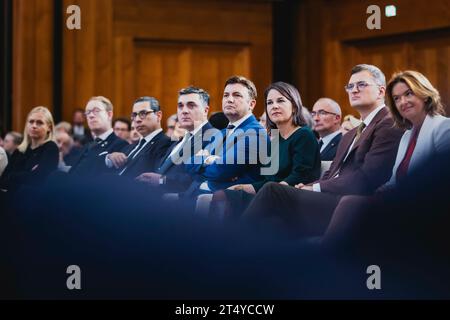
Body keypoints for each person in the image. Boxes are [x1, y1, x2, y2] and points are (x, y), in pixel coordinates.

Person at [243, 64, 404, 238]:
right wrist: (308, 187)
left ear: (381, 91)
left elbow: (368, 177)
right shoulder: (350, 134)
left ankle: (229, 244)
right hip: (327, 197)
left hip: (349, 203)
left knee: (271, 191)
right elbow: (331, 173)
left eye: (361, 85)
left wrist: (315, 187)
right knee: (270, 220)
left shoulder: (388, 123)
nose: (354, 90)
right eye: (350, 86)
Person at [323, 70, 450, 246]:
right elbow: (393, 180)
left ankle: (325, 254)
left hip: (424, 205)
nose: (402, 102)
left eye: (408, 94)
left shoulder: (443, 127)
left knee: (350, 204)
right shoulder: (406, 135)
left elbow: (441, 180)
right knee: (352, 203)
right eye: (397, 99)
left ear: (425, 94)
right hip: (398, 201)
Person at [219, 82, 321, 216]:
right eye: (269, 103)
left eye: (280, 101)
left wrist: (269, 191)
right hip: (270, 193)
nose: (274, 106)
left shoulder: (304, 134)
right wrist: (245, 187)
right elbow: (269, 179)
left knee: (233, 200)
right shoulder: (274, 139)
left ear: (295, 107)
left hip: (293, 199)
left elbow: (300, 176)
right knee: (225, 194)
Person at [184, 75, 270, 196]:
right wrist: (209, 159)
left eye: (237, 95)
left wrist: (204, 160)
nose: (229, 99)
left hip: (229, 204)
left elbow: (221, 171)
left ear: (251, 104)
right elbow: (188, 163)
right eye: (226, 95)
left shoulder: (255, 133)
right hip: (203, 196)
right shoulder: (223, 132)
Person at [135, 86, 214, 193]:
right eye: (180, 106)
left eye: (191, 105)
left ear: (205, 110)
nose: (184, 111)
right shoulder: (179, 140)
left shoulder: (212, 138)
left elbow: (199, 178)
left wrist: (162, 180)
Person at [106, 97, 171, 178]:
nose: (137, 120)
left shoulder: (167, 144)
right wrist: (110, 158)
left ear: (158, 115)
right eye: (134, 115)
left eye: (143, 113)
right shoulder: (129, 147)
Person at [0, 106, 59, 192]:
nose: (34, 126)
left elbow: (39, 180)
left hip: (34, 201)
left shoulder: (50, 148)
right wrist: (28, 174)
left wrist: (13, 176)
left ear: (49, 128)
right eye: (31, 122)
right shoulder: (20, 150)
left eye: (39, 123)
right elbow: (4, 180)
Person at [69, 96, 128, 176]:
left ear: (109, 114)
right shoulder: (86, 145)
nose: (91, 116)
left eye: (96, 111)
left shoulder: (121, 145)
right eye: (88, 112)